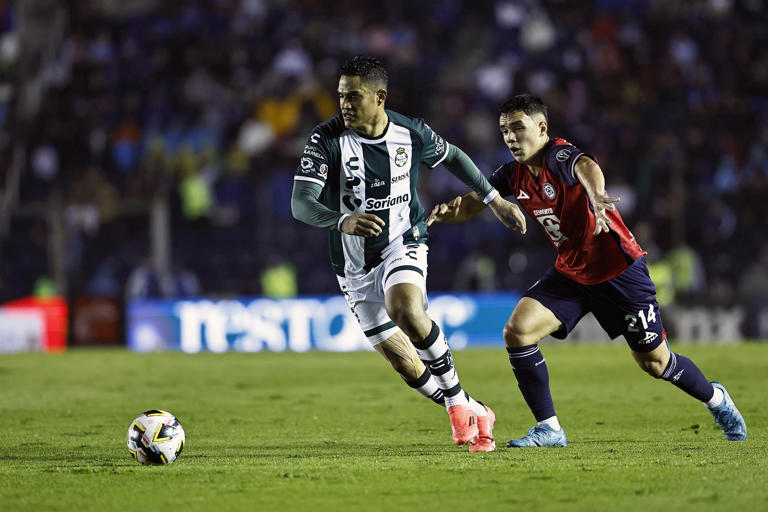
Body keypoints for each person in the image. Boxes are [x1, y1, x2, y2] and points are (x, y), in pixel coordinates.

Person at [427, 94, 747, 446]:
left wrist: (596, 194)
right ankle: (550, 428)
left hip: (620, 271)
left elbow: (586, 166)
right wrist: (446, 213)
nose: (511, 138)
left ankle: (717, 399)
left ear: (542, 127)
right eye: (504, 131)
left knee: (655, 363)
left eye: (518, 128)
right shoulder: (512, 174)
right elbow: (476, 201)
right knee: (517, 331)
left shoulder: (557, 154)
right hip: (572, 273)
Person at [291, 56, 526, 452]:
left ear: (380, 97)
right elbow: (301, 203)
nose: (344, 104)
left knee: (405, 309)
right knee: (405, 363)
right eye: (341, 96)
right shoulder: (326, 139)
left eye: (354, 96)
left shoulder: (409, 131)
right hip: (352, 267)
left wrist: (495, 199)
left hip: (405, 242)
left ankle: (455, 405)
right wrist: (342, 219)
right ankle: (473, 407)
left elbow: (452, 156)